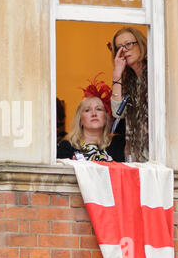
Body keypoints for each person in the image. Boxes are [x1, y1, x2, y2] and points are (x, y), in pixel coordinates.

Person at [57, 81, 125, 162]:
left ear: (106, 118)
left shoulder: (116, 143)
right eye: (87, 110)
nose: (94, 113)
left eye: (98, 109)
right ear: (80, 120)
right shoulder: (67, 146)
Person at [110, 27, 148, 162]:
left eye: (128, 44)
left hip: (157, 151)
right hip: (136, 155)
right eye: (119, 47)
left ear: (141, 44)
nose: (124, 50)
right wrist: (117, 74)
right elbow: (118, 112)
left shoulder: (155, 72)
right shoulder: (128, 80)